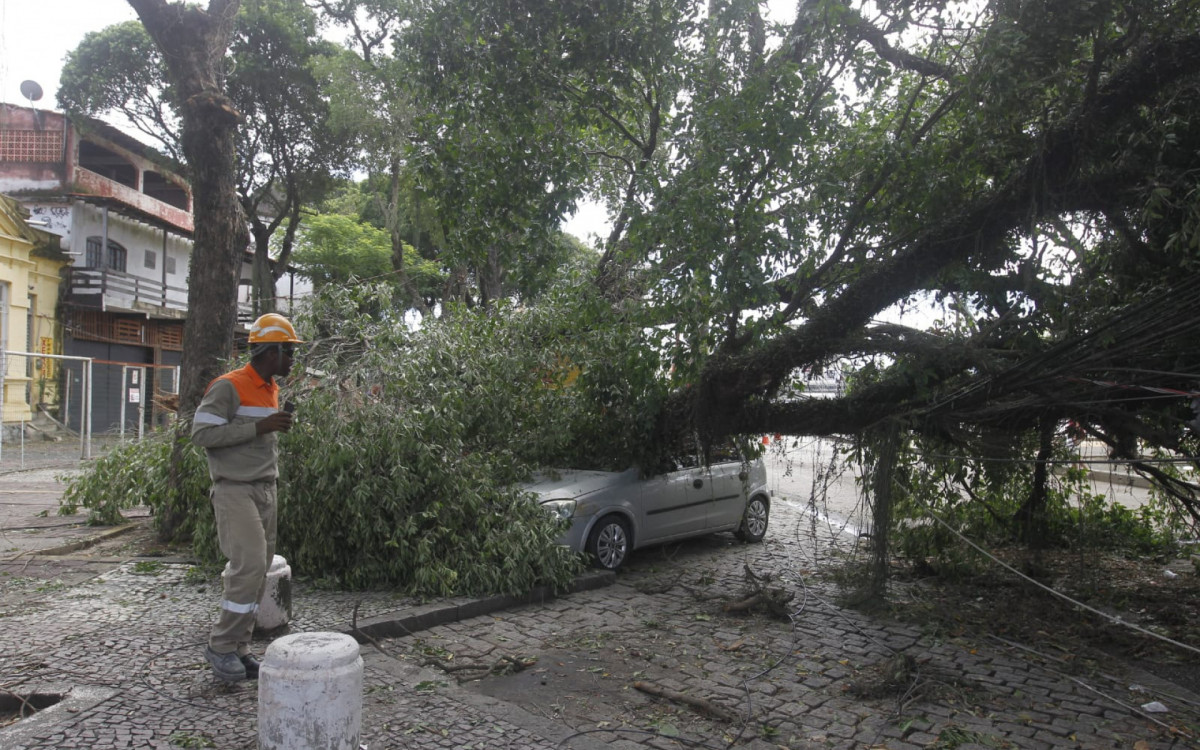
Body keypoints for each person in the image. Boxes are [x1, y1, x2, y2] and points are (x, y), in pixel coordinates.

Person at [191, 312, 303, 682]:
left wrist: (268, 427)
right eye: (288, 352)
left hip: (265, 489)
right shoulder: (229, 386)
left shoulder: (271, 388)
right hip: (234, 489)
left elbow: (255, 436)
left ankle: (240, 647)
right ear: (271, 352)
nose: (292, 359)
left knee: (259, 571)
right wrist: (259, 427)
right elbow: (202, 435)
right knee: (249, 565)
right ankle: (221, 645)